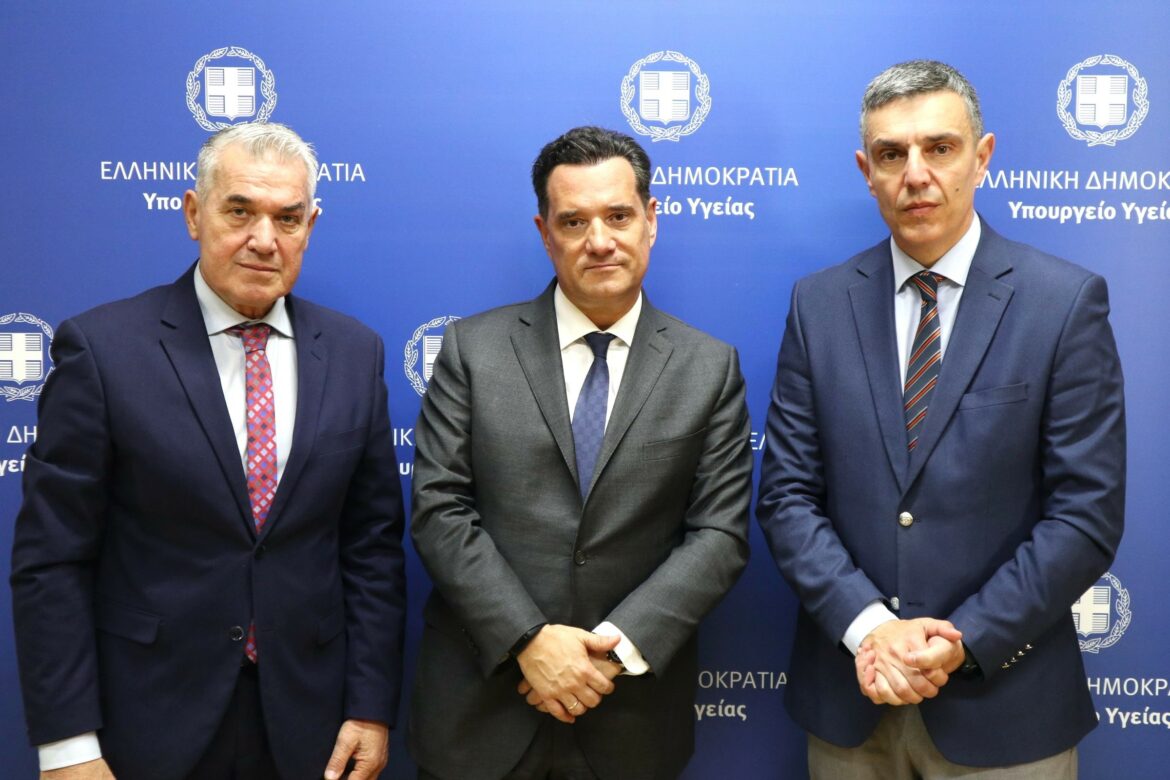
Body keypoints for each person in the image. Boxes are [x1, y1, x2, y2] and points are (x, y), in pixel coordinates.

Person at [756, 60, 1125, 778]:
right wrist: (872, 629)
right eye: (892, 154)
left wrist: (962, 640)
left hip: (1006, 708)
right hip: (852, 701)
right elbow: (787, 496)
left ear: (982, 158)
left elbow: (1086, 514)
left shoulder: (1063, 303)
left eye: (940, 148)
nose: (916, 174)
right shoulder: (818, 305)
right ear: (866, 171)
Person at [10, 122, 407, 780]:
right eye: (239, 211)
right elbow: (53, 560)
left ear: (311, 225)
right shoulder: (103, 350)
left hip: (309, 726)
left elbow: (370, 549)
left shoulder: (353, 352)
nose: (264, 239)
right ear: (194, 214)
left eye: (287, 218)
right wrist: (68, 746)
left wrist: (370, 708)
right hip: (146, 721)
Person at [408, 125, 753, 780]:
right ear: (546, 234)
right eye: (574, 221)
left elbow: (719, 534)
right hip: (482, 714)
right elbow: (439, 510)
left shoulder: (709, 368)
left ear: (651, 220)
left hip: (629, 718)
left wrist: (609, 652)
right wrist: (529, 640)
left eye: (618, 216)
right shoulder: (471, 351)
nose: (599, 240)